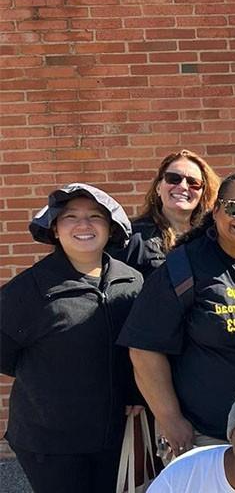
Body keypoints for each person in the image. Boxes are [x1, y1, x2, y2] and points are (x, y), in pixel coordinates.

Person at [119, 173, 235, 461]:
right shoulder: (183, 267)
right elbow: (145, 349)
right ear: (215, 211)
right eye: (233, 208)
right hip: (206, 434)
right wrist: (170, 418)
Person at [1, 184, 142, 493]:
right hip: (50, 443)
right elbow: (5, 356)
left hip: (114, 436)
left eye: (95, 216)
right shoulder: (28, 291)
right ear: (54, 228)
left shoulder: (132, 281)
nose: (83, 225)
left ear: (111, 227)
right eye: (70, 217)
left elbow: (137, 349)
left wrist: (135, 392)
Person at [113, 149, 219, 275]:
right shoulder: (133, 238)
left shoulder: (211, 238)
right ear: (158, 188)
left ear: (202, 193)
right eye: (173, 178)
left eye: (193, 183)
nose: (183, 186)